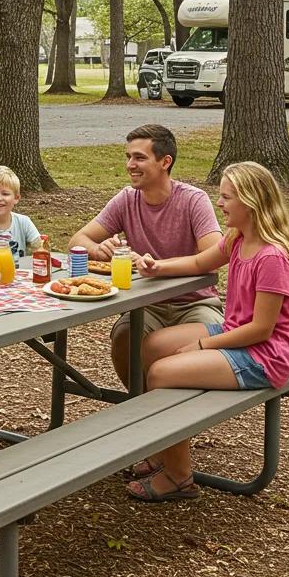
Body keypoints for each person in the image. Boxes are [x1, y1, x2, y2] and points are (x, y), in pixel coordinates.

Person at [125, 161, 289, 502]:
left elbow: (261, 329)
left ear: (252, 202)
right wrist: (156, 266)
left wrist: (202, 345)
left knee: (163, 373)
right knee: (153, 345)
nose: (220, 204)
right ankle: (164, 446)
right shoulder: (238, 238)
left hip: (265, 355)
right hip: (236, 331)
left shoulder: (272, 258)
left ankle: (178, 477)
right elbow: (198, 263)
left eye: (227, 198)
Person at [68, 123, 223, 390]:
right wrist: (98, 249)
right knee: (125, 334)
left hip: (195, 303)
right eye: (128, 157)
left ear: (165, 162)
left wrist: (159, 267)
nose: (130, 164)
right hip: (147, 305)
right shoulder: (126, 199)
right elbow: (77, 241)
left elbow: (216, 253)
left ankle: (177, 420)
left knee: (202, 351)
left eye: (139, 157)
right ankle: (140, 406)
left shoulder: (193, 200)